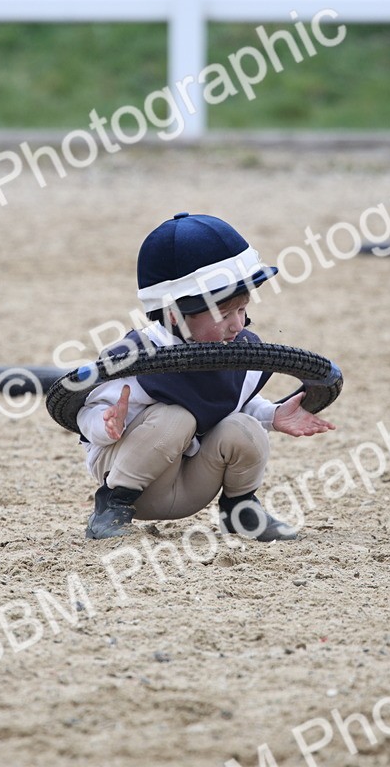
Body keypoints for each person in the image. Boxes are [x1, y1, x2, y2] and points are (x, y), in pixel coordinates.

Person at [77, 212, 335, 541]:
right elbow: (86, 413)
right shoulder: (136, 358)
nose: (238, 325)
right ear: (175, 313)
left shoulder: (238, 352)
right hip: (129, 476)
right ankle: (110, 508)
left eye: (241, 310)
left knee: (245, 427)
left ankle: (241, 509)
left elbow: (231, 403)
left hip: (190, 485)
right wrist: (106, 423)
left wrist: (272, 415)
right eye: (224, 314)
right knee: (176, 418)